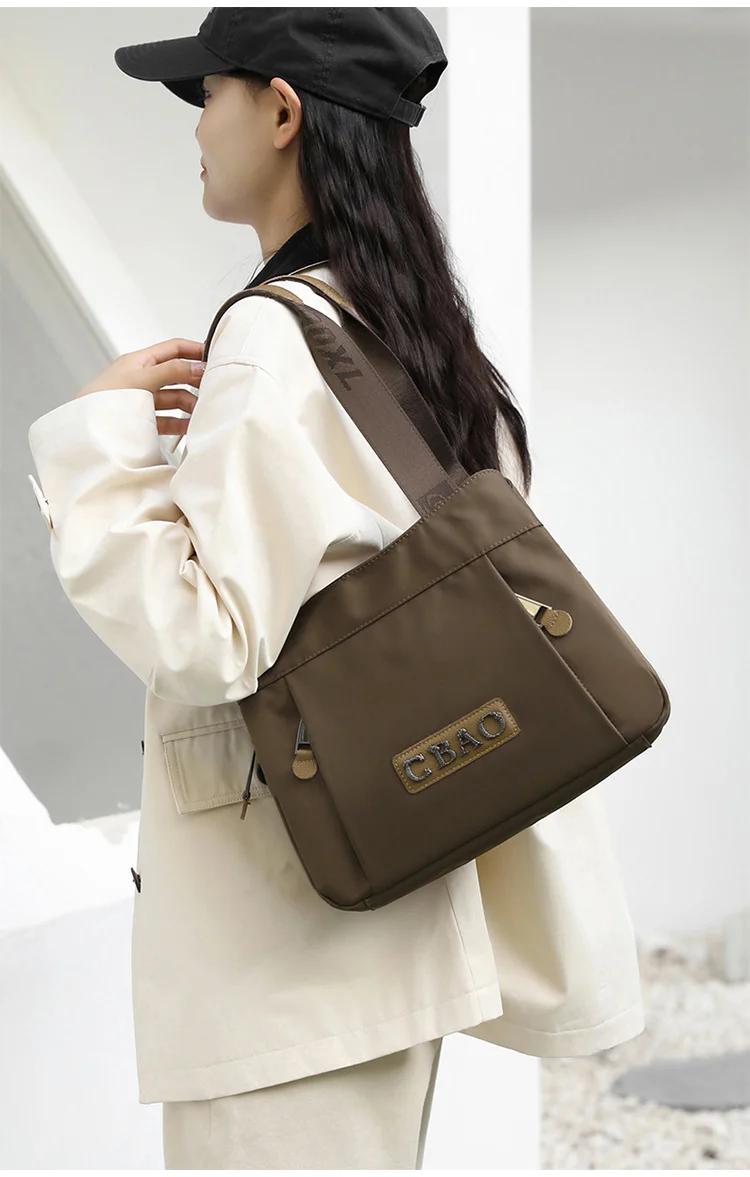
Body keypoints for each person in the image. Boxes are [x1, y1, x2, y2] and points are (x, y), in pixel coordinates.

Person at [26, 8, 646, 1170]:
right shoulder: (410, 323)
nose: (194, 126)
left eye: (206, 93)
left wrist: (98, 445)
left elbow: (206, 640)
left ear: (280, 110)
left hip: (287, 943)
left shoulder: (273, 336)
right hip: (390, 895)